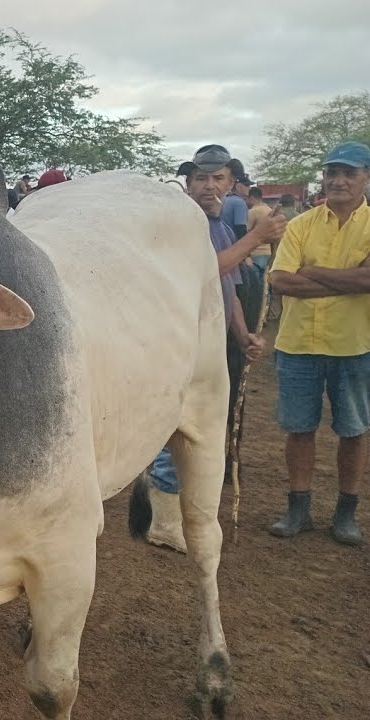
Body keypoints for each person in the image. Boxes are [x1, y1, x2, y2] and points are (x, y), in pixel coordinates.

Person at [142, 145, 284, 551]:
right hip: (181, 341)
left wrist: (242, 336)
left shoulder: (220, 225)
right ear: (188, 185)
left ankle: (178, 516)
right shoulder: (182, 225)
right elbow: (204, 270)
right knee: (178, 424)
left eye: (217, 178)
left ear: (231, 183)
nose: (209, 186)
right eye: (201, 179)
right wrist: (257, 236)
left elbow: (231, 290)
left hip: (211, 342)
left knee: (200, 428)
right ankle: (164, 522)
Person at [267, 141, 370, 546]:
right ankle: (299, 509)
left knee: (354, 431)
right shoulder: (301, 224)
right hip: (298, 345)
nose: (339, 180)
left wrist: (312, 273)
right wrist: (350, 279)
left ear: (365, 178)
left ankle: (346, 513)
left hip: (355, 345)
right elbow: (279, 280)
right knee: (299, 429)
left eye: (349, 173)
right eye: (332, 173)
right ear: (323, 178)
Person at [246, 186, 275, 273]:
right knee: (262, 282)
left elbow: (246, 232)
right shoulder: (270, 210)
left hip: (255, 252)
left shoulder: (252, 212)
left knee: (254, 283)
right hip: (267, 252)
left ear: (251, 198)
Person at [221, 158, 252, 239]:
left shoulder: (223, 199)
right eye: (247, 185)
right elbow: (240, 230)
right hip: (233, 245)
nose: (250, 188)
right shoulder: (239, 203)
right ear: (238, 186)